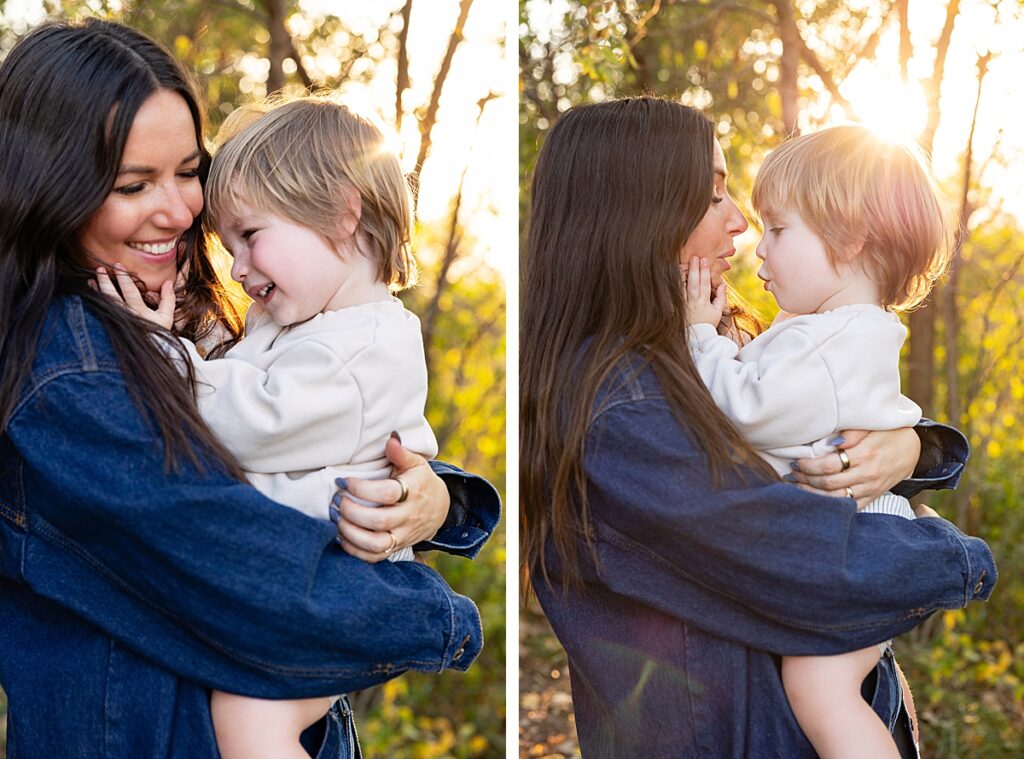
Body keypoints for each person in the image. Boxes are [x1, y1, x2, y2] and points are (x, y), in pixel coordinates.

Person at [0, 18, 498, 758]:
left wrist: (432, 499)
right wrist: (438, 619)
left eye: (188, 170)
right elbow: (247, 567)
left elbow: (293, 436)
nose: (178, 211)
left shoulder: (197, 315)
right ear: (50, 190)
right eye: (135, 184)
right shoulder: (70, 373)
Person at [520, 97, 996, 758]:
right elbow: (806, 558)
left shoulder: (703, 340)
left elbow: (806, 416)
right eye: (713, 196)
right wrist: (961, 560)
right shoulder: (617, 407)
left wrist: (914, 448)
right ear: (641, 213)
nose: (740, 223)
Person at [100, 93, 440, 757]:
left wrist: (155, 345)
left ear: (344, 214)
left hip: (338, 589)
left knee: (251, 723)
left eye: (252, 237)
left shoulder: (358, 350)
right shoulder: (313, 324)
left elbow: (243, 420)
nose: (240, 267)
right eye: (230, 247)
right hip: (305, 584)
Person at [683, 125, 954, 758]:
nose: (758, 250)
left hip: (859, 543)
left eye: (779, 232)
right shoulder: (828, 328)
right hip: (852, 538)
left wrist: (701, 335)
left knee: (819, 687)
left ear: (850, 238)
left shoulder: (827, 342)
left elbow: (747, 410)